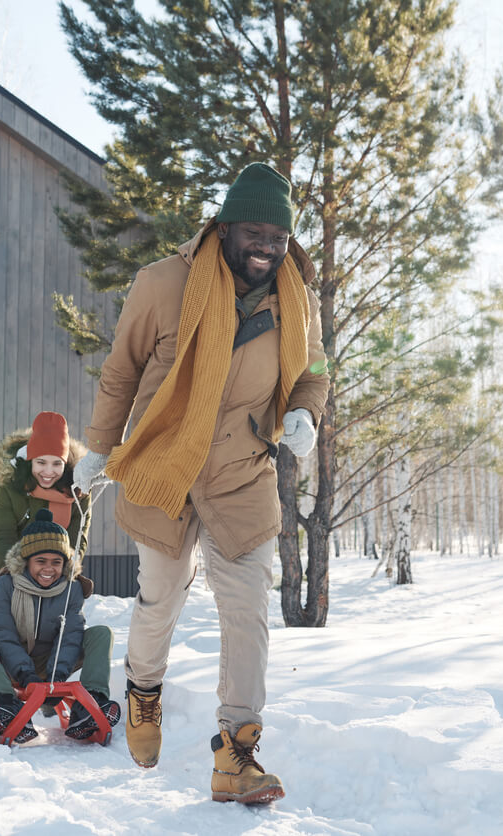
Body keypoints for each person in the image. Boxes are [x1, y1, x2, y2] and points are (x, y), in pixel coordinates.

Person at [72, 162, 329, 804]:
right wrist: (99, 448)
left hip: (243, 476)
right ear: (225, 227)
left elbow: (314, 372)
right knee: (161, 596)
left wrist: (304, 413)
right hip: (164, 468)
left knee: (247, 612)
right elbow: (121, 372)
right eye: (254, 231)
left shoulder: (298, 300)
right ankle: (143, 693)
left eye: (277, 234)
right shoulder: (164, 283)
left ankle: (236, 754)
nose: (266, 245)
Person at [0, 508, 121, 743]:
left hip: (56, 661)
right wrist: (26, 675)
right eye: (40, 561)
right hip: (14, 662)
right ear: (26, 561)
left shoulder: (73, 587)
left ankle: (91, 703)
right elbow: (2, 633)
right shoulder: (7, 584)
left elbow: (71, 634)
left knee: (101, 633)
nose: (49, 569)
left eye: (56, 562)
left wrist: (57, 676)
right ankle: (7, 706)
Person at [0, 411, 91, 588]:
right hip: (9, 569)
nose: (49, 472)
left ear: (65, 465)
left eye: (57, 464)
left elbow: (77, 540)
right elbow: (3, 534)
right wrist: (12, 575)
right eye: (41, 463)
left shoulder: (78, 491)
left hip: (53, 574)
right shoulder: (11, 486)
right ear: (30, 461)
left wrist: (65, 573)